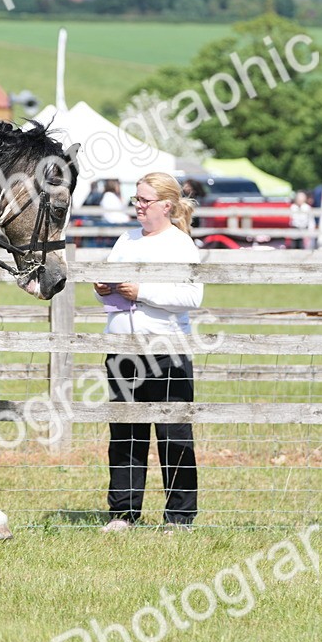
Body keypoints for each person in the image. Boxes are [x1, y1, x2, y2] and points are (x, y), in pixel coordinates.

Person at [95, 172, 202, 532]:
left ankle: (179, 516)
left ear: (166, 205)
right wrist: (103, 287)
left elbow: (192, 296)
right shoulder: (125, 240)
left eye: (145, 200)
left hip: (166, 349)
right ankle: (123, 513)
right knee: (125, 434)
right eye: (136, 199)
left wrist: (142, 291)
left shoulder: (180, 244)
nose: (138, 206)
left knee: (174, 435)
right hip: (122, 350)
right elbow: (111, 286)